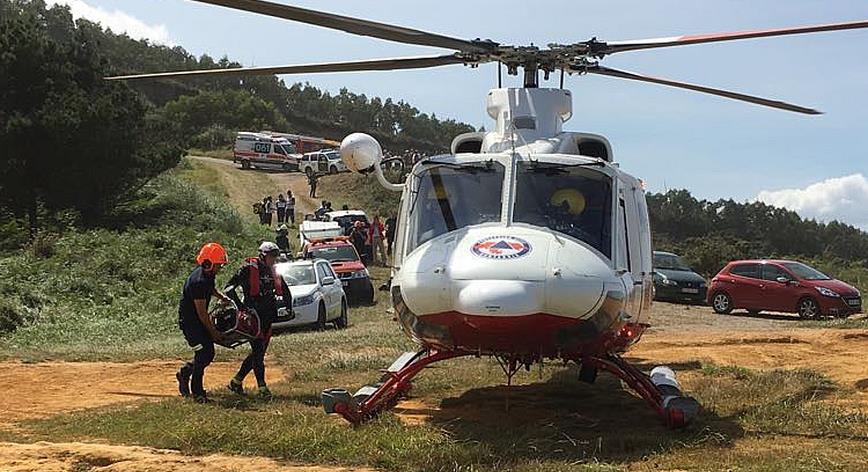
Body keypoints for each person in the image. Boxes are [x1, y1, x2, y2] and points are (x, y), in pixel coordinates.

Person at [225, 242, 292, 397]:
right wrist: (241, 307)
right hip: (253, 318)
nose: (274, 260)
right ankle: (262, 388)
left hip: (268, 318)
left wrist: (288, 308)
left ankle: (236, 382)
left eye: (275, 256)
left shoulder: (273, 271)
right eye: (271, 256)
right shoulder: (248, 269)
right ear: (263, 255)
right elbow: (229, 288)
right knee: (257, 351)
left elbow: (286, 291)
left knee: (259, 353)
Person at [177, 242, 233, 403]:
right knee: (203, 354)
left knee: (207, 354)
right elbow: (202, 313)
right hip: (190, 324)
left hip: (198, 322)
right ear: (208, 263)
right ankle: (198, 393)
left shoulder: (207, 276)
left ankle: (185, 373)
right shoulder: (198, 281)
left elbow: (211, 288)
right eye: (218, 265)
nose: (220, 268)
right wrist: (214, 332)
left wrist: (221, 296)